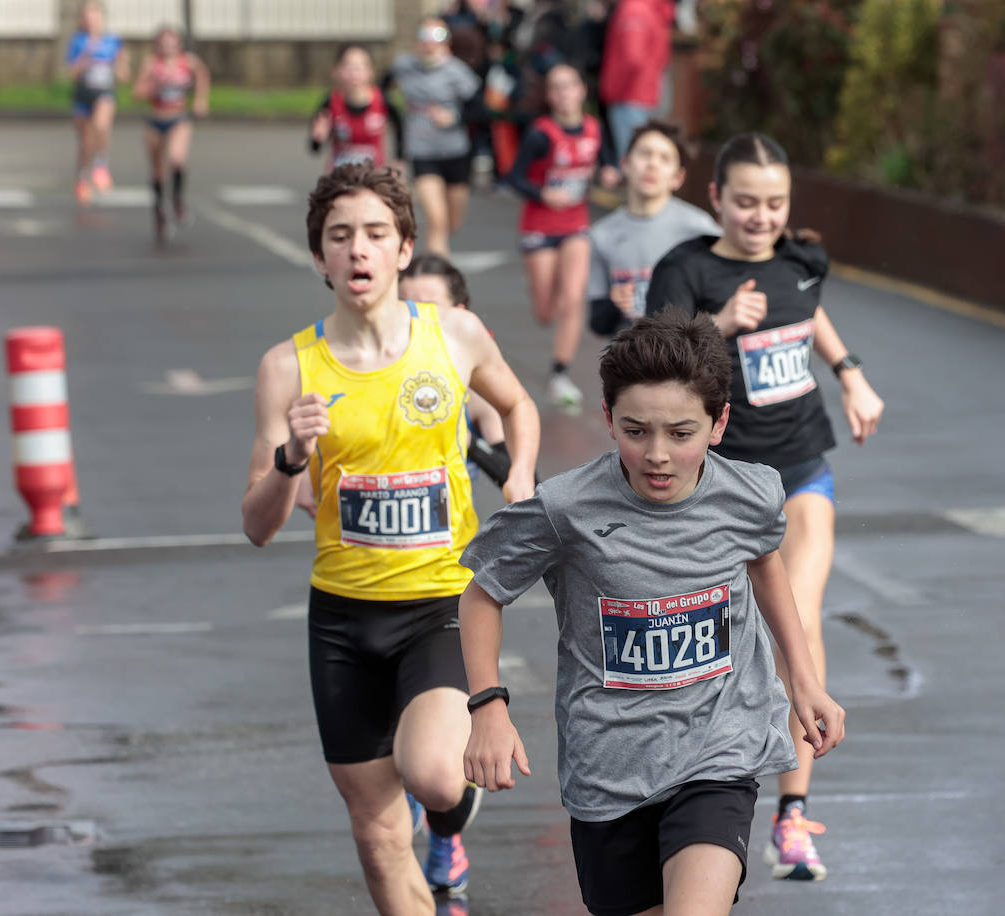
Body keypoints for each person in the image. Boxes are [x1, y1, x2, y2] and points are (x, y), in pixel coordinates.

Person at [457, 307, 846, 916]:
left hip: (719, 751)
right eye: (636, 431)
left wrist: (803, 681)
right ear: (608, 418)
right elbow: (483, 592)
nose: (658, 454)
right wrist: (487, 706)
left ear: (720, 423)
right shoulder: (566, 508)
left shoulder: (751, 494)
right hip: (609, 771)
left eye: (681, 433)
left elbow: (765, 562)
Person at [241, 162, 540, 912]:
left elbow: (519, 403)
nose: (357, 250)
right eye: (339, 237)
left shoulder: (455, 336)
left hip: (441, 602)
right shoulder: (287, 369)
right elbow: (257, 524)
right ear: (319, 258)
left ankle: (450, 812)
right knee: (377, 835)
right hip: (342, 620)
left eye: (375, 233)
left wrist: (522, 476)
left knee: (436, 775)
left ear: (405, 247)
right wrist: (290, 460)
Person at [644, 132, 884, 882]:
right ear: (714, 197)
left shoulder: (801, 258)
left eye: (775, 203)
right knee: (712, 640)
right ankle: (693, 790)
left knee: (797, 625)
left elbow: (810, 314)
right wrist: (719, 325)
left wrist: (850, 374)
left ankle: (791, 814)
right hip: (718, 486)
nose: (760, 216)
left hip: (802, 469)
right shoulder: (686, 268)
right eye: (745, 202)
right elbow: (653, 365)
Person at [503, 62, 612, 409]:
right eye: (556, 87)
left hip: (575, 226)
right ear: (550, 96)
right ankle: (539, 288)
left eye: (570, 85)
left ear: (582, 90)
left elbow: (608, 163)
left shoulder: (595, 128)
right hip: (539, 227)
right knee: (545, 311)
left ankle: (559, 372)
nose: (564, 93)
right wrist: (542, 194)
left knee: (574, 297)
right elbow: (514, 177)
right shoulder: (540, 134)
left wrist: (610, 173)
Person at [588, 121, 720, 338]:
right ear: (625, 164)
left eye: (665, 158)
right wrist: (614, 303)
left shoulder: (701, 229)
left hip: (687, 361)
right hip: (628, 361)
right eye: (645, 154)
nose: (653, 164)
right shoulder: (602, 234)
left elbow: (721, 299)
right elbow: (598, 324)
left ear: (678, 177)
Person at [398, 253, 512, 489]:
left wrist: (466, 441)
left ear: (460, 315)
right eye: (403, 307)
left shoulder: (476, 391)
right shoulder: (370, 373)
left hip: (452, 524)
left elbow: (518, 477)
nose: (415, 318)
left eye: (429, 309)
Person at [384, 19, 483, 257]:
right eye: (424, 42)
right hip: (421, 151)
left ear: (446, 45)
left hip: (454, 152)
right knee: (436, 219)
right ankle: (437, 276)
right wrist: (397, 119)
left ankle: (441, 248)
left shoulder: (457, 72)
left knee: (452, 222)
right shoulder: (403, 67)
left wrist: (455, 117)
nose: (429, 48)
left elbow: (480, 111)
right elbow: (380, 92)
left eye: (435, 43)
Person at [131, 25, 210, 241]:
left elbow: (202, 75)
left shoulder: (188, 62)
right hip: (156, 119)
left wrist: (201, 100)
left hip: (178, 119)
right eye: (163, 42)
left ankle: (177, 202)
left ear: (178, 43)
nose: (167, 46)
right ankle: (159, 212)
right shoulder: (151, 64)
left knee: (177, 159)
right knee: (157, 173)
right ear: (157, 44)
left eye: (171, 41)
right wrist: (154, 86)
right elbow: (136, 93)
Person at [66, 1, 129, 205]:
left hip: (104, 93)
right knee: (85, 142)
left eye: (94, 15)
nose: (91, 20)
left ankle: (101, 165)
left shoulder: (113, 42)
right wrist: (86, 58)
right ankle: (82, 178)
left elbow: (123, 74)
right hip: (83, 94)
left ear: (102, 17)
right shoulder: (78, 41)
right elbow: (72, 73)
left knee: (101, 126)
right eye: (87, 16)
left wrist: (116, 67)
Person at [599, 0, 675, 165]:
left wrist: (613, 91)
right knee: (646, 157)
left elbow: (632, 58)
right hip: (648, 93)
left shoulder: (634, 10)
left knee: (632, 160)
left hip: (629, 95)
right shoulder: (654, 10)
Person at [309, 44, 403, 175]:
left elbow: (400, 127)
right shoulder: (330, 103)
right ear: (336, 71)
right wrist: (318, 139)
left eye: (359, 67)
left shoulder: (382, 101)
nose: (354, 73)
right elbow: (314, 146)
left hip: (372, 177)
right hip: (340, 177)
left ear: (370, 72)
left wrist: (399, 159)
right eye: (348, 67)